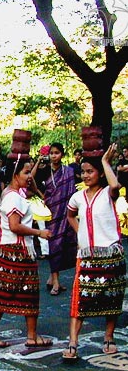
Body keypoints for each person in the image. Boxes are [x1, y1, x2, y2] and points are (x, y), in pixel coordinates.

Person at [0, 155, 53, 349]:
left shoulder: (9, 192)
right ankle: (30, 335)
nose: (30, 176)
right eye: (26, 172)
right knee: (27, 292)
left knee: (3, 291)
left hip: (9, 248)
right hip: (18, 250)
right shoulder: (14, 197)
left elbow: (31, 187)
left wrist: (32, 180)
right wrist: (39, 232)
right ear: (15, 174)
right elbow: (14, 226)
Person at [63, 144, 127, 360]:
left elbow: (115, 183)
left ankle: (109, 338)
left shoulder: (108, 193)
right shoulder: (77, 197)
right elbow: (70, 215)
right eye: (84, 172)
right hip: (87, 256)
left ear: (99, 173)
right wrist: (80, 233)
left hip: (110, 253)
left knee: (111, 298)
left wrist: (107, 163)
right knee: (79, 300)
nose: (86, 175)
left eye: (91, 171)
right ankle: (73, 343)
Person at [33, 143, 77, 296]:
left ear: (62, 155)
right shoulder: (44, 170)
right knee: (54, 244)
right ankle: (56, 282)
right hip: (52, 213)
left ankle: (53, 278)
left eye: (57, 153)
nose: (53, 156)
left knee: (64, 244)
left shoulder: (69, 171)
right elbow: (30, 180)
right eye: (51, 153)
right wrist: (38, 161)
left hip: (67, 212)